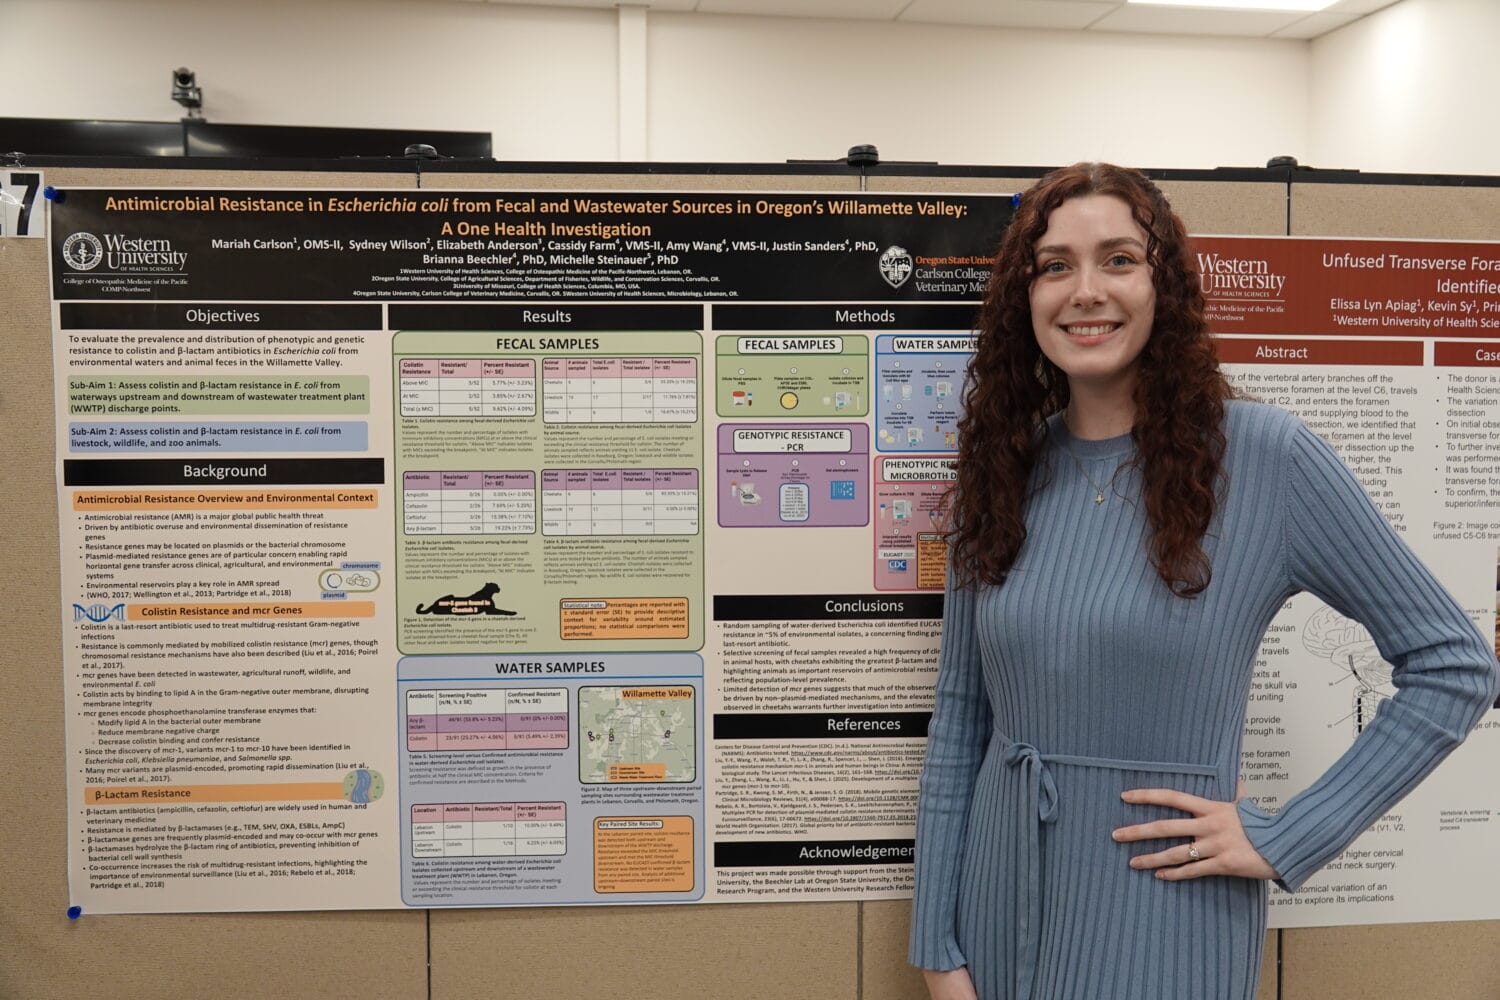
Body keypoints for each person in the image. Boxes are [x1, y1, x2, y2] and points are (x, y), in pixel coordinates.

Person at [908, 163, 1498, 1000]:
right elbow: (961, 723)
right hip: (999, 909)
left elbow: (1455, 666)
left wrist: (1291, 834)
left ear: (1164, 284)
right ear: (1024, 295)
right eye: (1054, 266)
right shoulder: (1002, 471)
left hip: (1166, 916)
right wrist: (937, 946)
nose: (1085, 291)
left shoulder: (1265, 457)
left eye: (1118, 259)